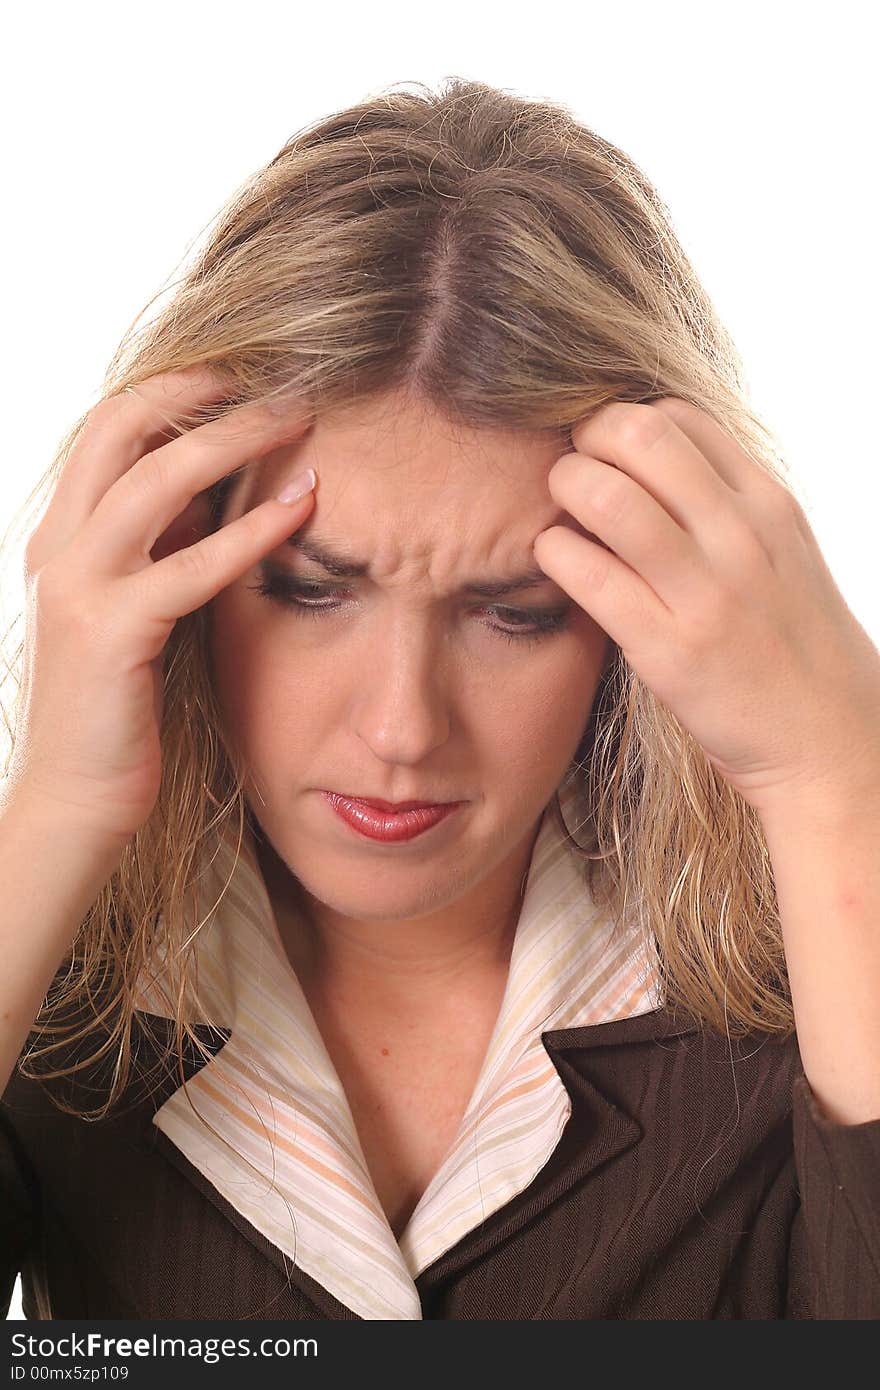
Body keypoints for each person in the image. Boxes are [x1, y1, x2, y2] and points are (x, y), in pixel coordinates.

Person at [1, 77, 879, 1322]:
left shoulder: (819, 968)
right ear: (178, 569)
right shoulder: (47, 972)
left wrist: (843, 783)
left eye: (514, 613)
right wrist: (57, 806)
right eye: (308, 591)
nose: (403, 728)